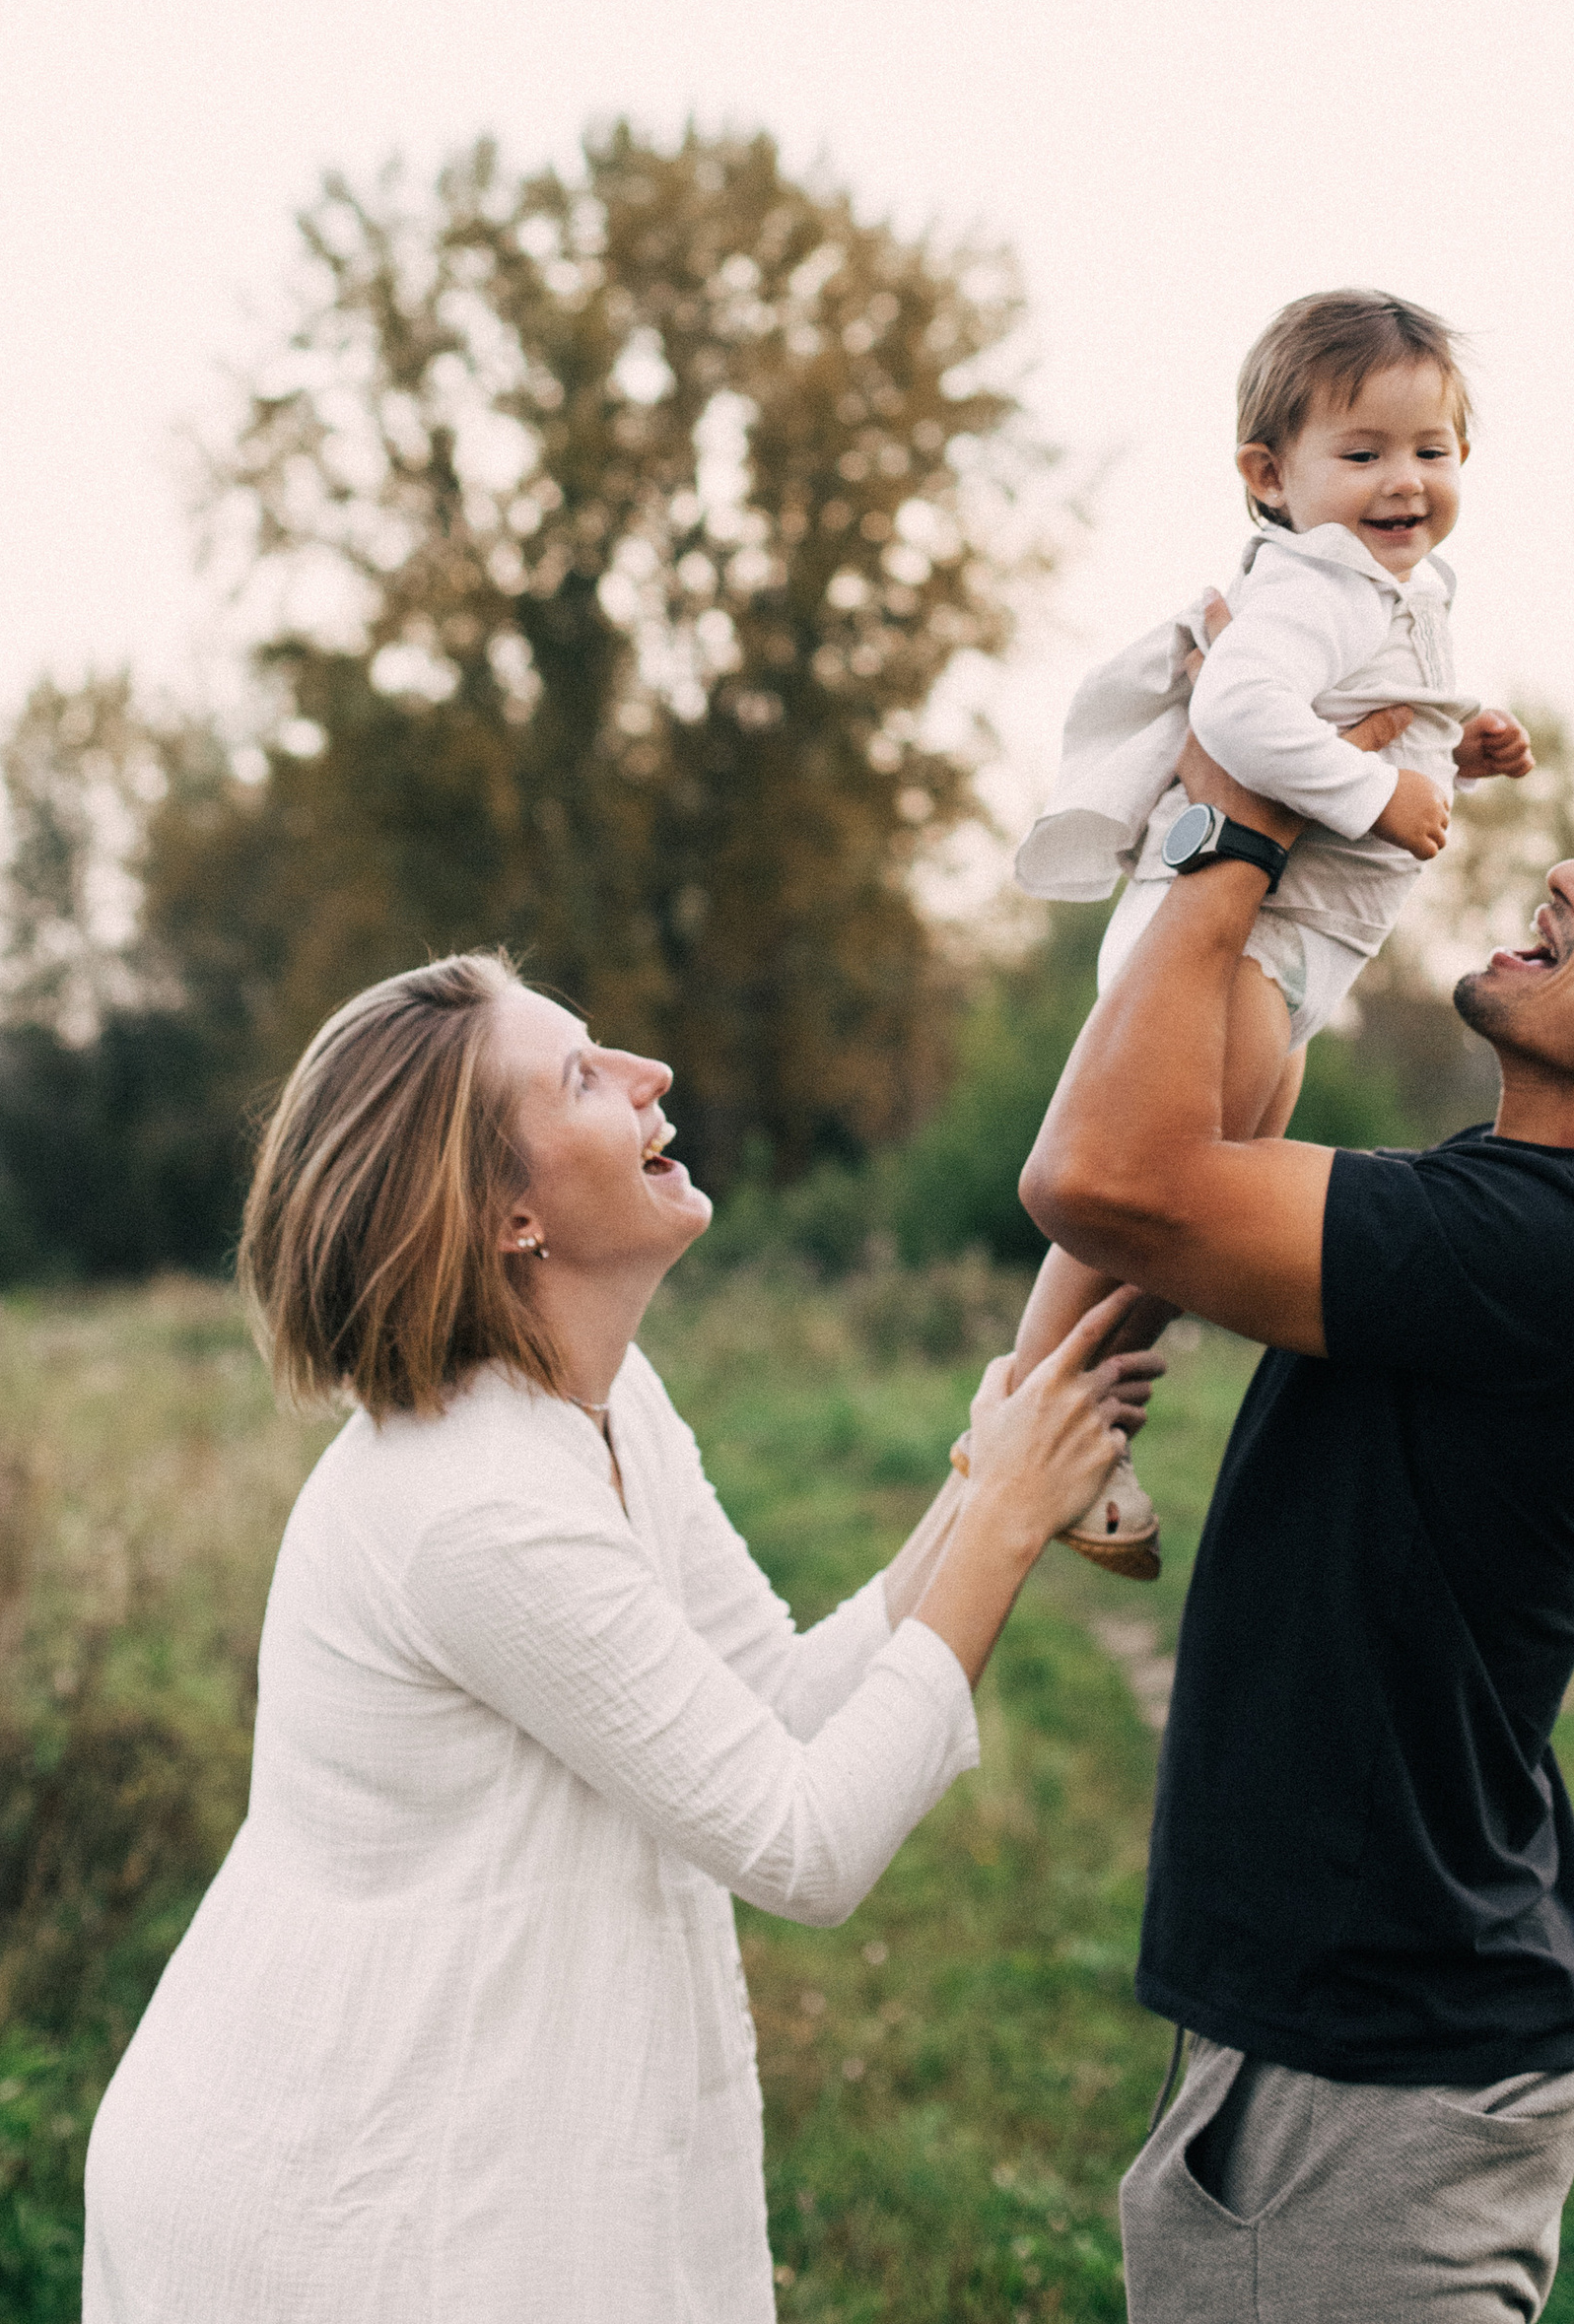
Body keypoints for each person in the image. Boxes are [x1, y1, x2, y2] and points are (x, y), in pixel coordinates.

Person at [83, 950, 1159, 2324]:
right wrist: (1002, 1521)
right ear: (506, 1217)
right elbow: (804, 1845)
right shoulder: (473, 1507)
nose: (651, 1076)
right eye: (582, 1076)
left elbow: (772, 1697)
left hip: (483, 2127)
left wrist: (983, 1472)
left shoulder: (605, 1400)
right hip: (346, 2202)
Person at [1021, 724, 1574, 2324]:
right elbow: (1212, 1132)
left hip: (1367, 2069)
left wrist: (1232, 824)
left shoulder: (1553, 1253)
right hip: (1370, 2033)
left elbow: (1106, 1174)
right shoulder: (1545, 1218)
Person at [1003, 290, 1534, 1574]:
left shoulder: (1395, 592)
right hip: (1233, 948)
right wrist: (1381, 791)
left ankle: (1071, 1416)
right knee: (1145, 1200)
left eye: (1432, 450)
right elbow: (1243, 722)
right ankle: (1021, 1411)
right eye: (1362, 455)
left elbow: (1356, 714)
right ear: (1269, 475)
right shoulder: (1312, 590)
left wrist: (1451, 749)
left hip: (1289, 963)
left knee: (1187, 1217)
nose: (1403, 480)